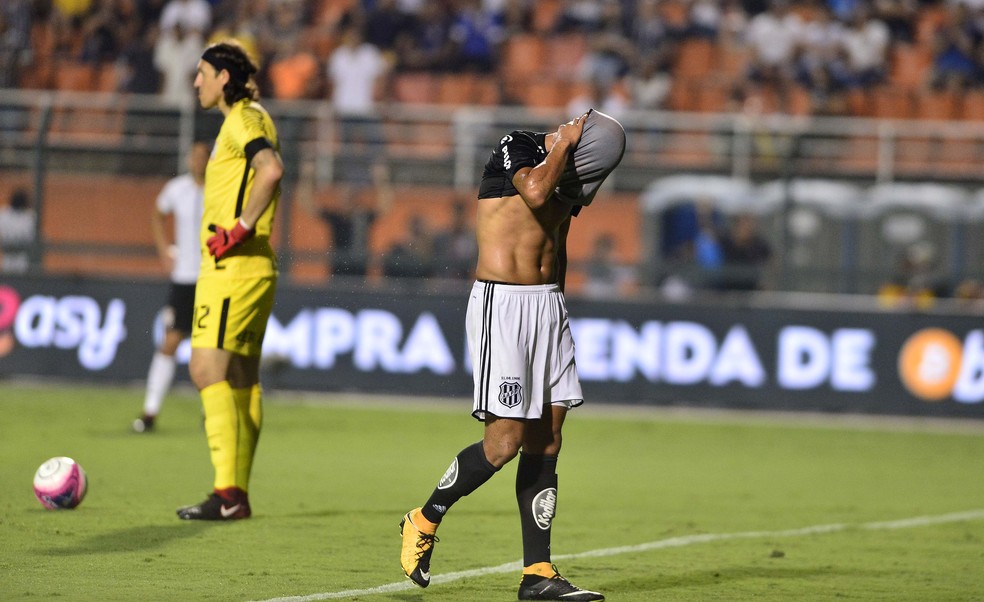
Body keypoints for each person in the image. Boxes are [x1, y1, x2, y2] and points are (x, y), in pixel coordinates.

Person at [399, 109, 625, 601]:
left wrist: (557, 308)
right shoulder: (517, 146)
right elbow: (536, 193)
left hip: (547, 307)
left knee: (548, 440)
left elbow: (556, 242)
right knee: (504, 444)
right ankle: (423, 518)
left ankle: (537, 575)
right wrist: (565, 146)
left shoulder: (569, 176)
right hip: (502, 306)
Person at [176, 40, 284, 521]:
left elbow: (271, 170)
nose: (196, 81)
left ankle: (226, 494)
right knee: (240, 378)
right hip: (249, 266)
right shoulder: (245, 119)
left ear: (224, 77)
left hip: (234, 266)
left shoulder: (243, 118)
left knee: (205, 371)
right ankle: (235, 494)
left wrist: (239, 228)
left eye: (202, 72)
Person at [132, 140, 209, 433]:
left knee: (209, 348)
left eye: (203, 156)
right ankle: (150, 411)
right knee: (170, 342)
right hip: (184, 279)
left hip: (212, 279)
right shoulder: (176, 189)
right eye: (195, 156)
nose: (198, 161)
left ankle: (210, 413)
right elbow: (157, 215)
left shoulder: (220, 190)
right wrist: (164, 249)